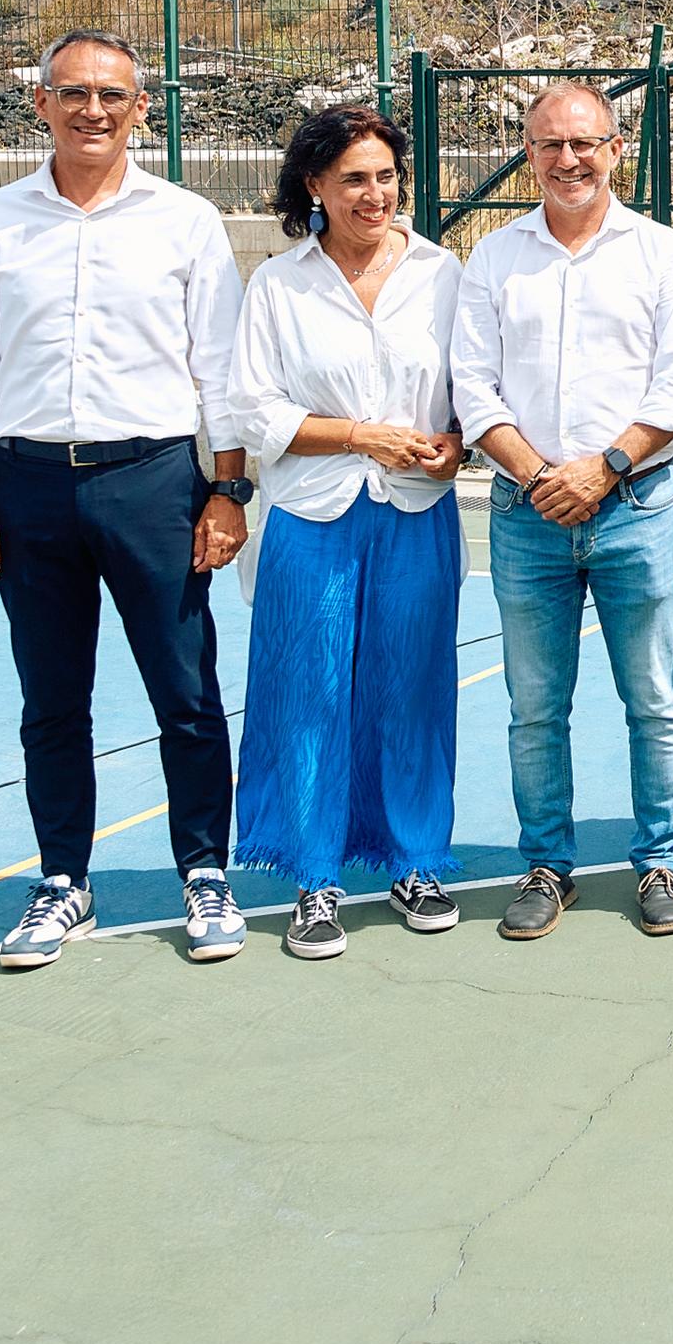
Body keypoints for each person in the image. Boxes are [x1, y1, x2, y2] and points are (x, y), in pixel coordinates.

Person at [0, 31, 256, 972]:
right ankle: (63, 883)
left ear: (141, 108)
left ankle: (203, 872)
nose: (93, 110)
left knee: (187, 694)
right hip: (26, 484)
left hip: (154, 481)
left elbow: (222, 372)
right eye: (73, 93)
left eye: (112, 95)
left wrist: (227, 491)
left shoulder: (185, 220)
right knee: (51, 699)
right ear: (40, 104)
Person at [454, 79, 673, 942]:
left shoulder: (663, 252)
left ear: (615, 150)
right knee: (535, 706)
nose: (569, 160)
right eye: (550, 145)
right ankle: (546, 865)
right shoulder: (493, 259)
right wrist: (538, 478)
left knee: (654, 699)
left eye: (584, 143)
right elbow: (473, 387)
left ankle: (660, 862)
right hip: (527, 519)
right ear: (529, 156)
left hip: (637, 508)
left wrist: (600, 471)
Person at [230, 106, 467, 955]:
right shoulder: (278, 285)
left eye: (386, 176)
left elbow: (473, 389)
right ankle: (315, 878)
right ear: (314, 187)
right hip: (311, 516)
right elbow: (252, 408)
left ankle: (413, 860)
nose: (376, 194)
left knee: (412, 692)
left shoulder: (445, 275)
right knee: (309, 693)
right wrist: (363, 434)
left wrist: (454, 448)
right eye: (354, 179)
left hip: (417, 514)